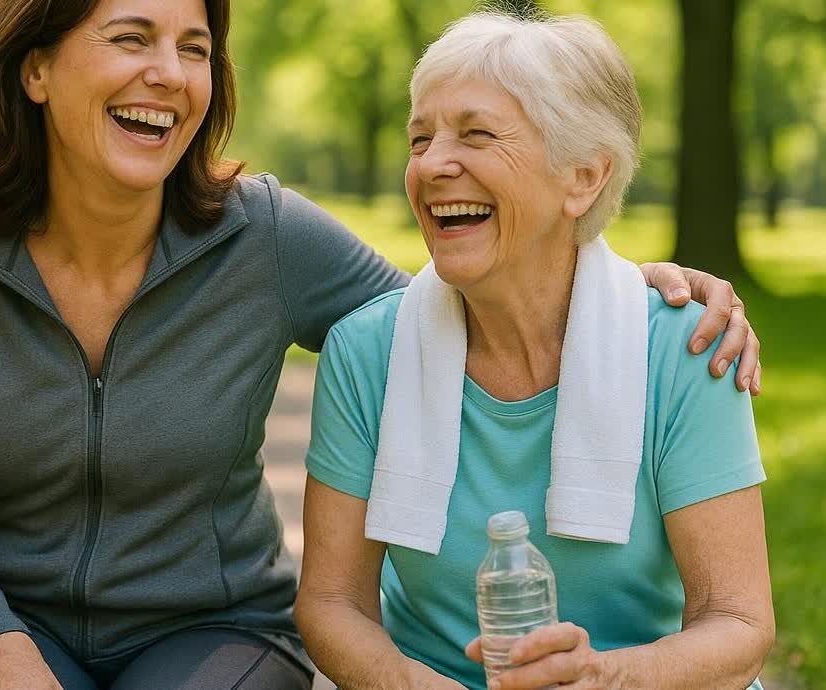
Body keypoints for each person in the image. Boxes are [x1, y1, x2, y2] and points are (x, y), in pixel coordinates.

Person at [0, 0, 762, 688]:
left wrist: (622, 293)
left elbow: (463, 302)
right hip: (15, 613)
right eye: (131, 37)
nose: (167, 73)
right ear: (35, 66)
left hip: (210, 627)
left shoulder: (262, 238)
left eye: (195, 47)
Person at [295, 12, 773, 690]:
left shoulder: (686, 347)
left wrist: (601, 679)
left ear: (582, 177)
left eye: (477, 134)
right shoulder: (367, 351)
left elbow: (739, 624)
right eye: (420, 138)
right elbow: (332, 603)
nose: (432, 164)